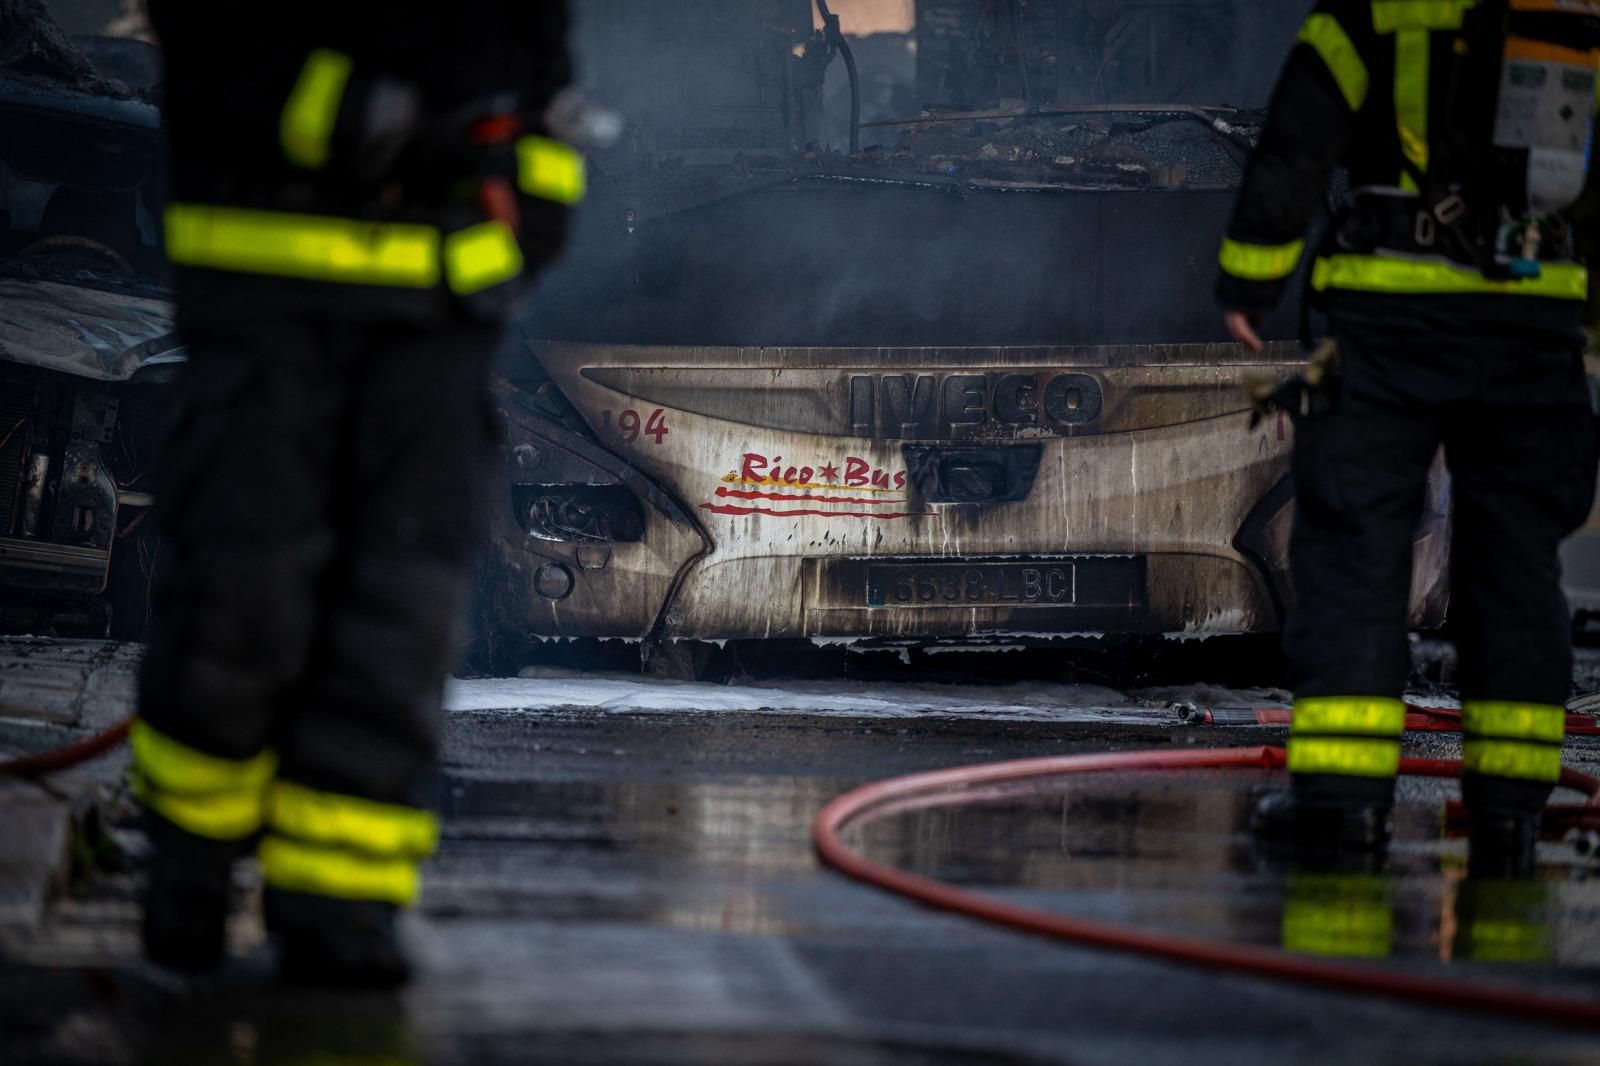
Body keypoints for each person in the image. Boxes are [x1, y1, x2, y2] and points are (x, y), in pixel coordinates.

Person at [132, 1, 583, 986]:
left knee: (399, 613)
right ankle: (189, 872)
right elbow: (216, 46)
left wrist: (536, 202)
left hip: (432, 324)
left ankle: (341, 907)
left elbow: (542, 79)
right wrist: (362, 117)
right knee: (243, 597)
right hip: (268, 305)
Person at [1217, 0, 1599, 873]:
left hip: (1391, 321)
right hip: (1533, 328)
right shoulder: (1570, 9)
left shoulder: (1370, 9)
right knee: (1516, 569)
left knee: (1356, 558)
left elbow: (1297, 141)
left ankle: (1342, 810)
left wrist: (1249, 280)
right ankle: (1510, 819)